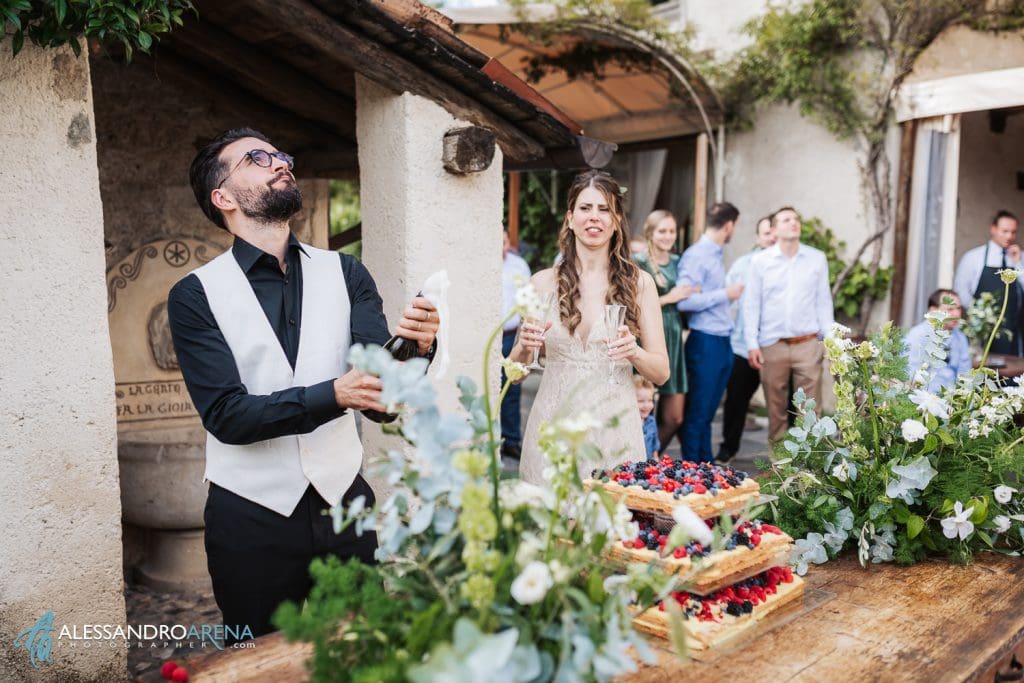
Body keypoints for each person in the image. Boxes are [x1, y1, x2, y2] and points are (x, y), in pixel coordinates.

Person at [167, 128, 439, 643]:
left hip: (346, 506)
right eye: (257, 157)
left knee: (365, 653)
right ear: (222, 197)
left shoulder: (348, 272)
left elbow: (382, 401)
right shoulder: (194, 295)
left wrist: (417, 351)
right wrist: (334, 394)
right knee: (259, 664)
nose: (280, 162)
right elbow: (227, 415)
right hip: (250, 518)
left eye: (281, 154)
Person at [510, 170, 670, 484]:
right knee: (550, 528)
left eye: (604, 209)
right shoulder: (541, 283)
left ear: (616, 219)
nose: (594, 217)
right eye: (585, 208)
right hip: (552, 428)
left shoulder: (640, 284)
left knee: (611, 527)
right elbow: (514, 374)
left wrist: (634, 352)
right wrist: (524, 346)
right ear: (570, 218)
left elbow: (661, 372)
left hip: (614, 430)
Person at [743, 206, 834, 444]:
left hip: (808, 343)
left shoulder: (816, 259)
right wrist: (752, 343)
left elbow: (824, 302)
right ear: (774, 229)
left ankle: (811, 463)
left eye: (795, 219)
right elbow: (752, 304)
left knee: (810, 411)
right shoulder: (760, 262)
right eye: (786, 219)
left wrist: (831, 342)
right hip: (772, 344)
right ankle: (779, 466)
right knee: (776, 410)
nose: (793, 223)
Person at [676, 202, 744, 462]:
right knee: (697, 416)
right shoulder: (697, 255)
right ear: (729, 226)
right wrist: (725, 294)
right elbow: (685, 301)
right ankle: (694, 475)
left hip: (721, 340)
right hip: (705, 342)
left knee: (705, 416)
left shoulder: (715, 254)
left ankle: (706, 471)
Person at [634, 210, 698, 454]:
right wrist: (669, 298)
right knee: (640, 410)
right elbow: (633, 306)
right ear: (650, 232)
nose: (668, 236)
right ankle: (634, 460)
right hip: (647, 336)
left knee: (674, 417)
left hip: (673, 339)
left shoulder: (678, 262)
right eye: (662, 230)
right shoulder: (639, 262)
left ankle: (650, 456)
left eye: (671, 231)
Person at [718, 215, 777, 462]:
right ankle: (728, 449)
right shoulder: (743, 265)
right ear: (758, 237)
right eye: (766, 233)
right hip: (743, 345)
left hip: (777, 348)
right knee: (736, 402)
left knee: (782, 406)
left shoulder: (793, 266)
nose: (772, 238)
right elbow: (726, 299)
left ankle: (783, 457)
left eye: (775, 232)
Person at [953, 210, 1024, 356]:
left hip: (1014, 332)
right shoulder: (973, 257)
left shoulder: (1020, 258)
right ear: (993, 229)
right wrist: (980, 316)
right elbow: (961, 291)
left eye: (1013, 232)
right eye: (1005, 231)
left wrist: (1019, 264)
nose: (1009, 236)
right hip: (982, 332)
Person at [501, 230, 531, 462]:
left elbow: (528, 298)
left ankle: (511, 441)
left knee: (512, 388)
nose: (500, 246)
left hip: (511, 334)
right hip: (488, 337)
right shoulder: (481, 263)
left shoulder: (518, 265)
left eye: (503, 241)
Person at [904, 289, 971, 392]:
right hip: (923, 398)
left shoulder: (960, 337)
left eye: (958, 308)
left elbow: (965, 375)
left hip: (952, 400)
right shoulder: (918, 335)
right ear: (933, 311)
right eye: (950, 309)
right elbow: (910, 374)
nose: (957, 314)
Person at [634, 375, 660, 461]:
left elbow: (654, 445)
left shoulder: (651, 421)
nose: (647, 405)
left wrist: (656, 459)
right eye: (640, 401)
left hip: (647, 466)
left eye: (650, 400)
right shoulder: (628, 425)